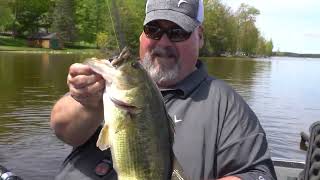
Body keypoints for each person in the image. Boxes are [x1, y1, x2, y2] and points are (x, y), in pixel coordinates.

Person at [50, 0, 277, 179]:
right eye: (153, 29)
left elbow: (258, 174)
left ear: (200, 37)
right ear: (142, 35)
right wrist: (87, 103)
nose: (164, 42)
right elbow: (63, 130)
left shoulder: (225, 104)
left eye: (177, 32)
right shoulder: (113, 81)